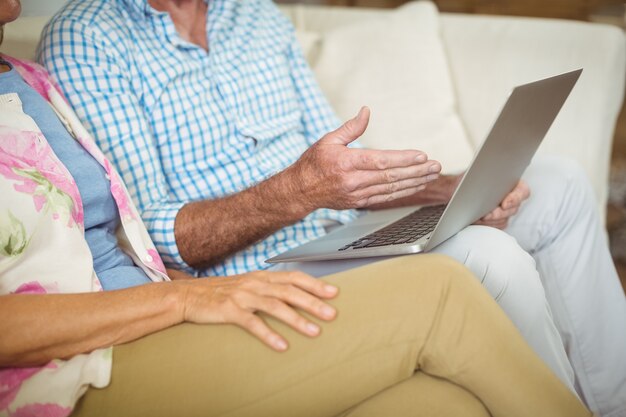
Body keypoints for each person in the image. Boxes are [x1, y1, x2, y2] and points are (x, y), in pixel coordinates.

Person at [37, 0, 626, 415]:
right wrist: (300, 190)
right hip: (255, 274)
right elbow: (152, 237)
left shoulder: (258, 16)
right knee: (487, 252)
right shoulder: (87, 36)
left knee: (559, 181)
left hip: (345, 231)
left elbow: (346, 165)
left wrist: (444, 189)